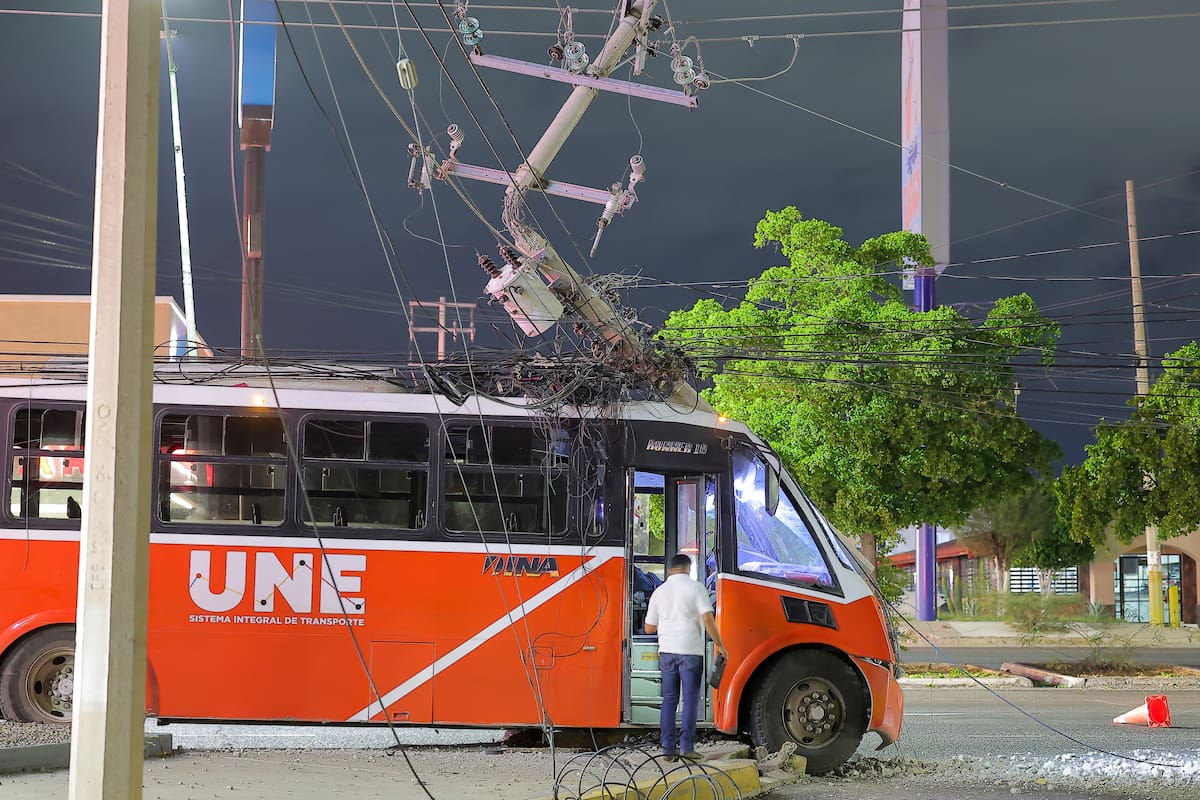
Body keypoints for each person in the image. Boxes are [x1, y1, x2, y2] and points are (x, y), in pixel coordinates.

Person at [644, 553, 728, 762]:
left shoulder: (659, 592)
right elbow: (708, 619)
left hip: (667, 652)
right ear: (688, 569)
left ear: (670, 569)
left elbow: (648, 628)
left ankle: (668, 749)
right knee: (690, 700)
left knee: (669, 700)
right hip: (690, 651)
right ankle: (687, 748)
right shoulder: (696, 588)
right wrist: (720, 645)